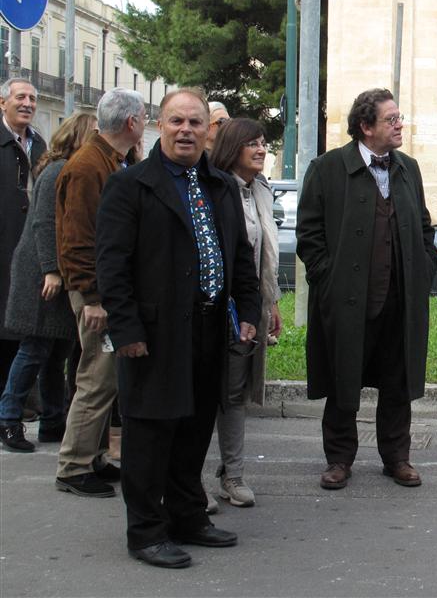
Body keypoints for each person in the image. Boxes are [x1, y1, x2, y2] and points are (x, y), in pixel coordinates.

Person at [95, 88, 261, 569]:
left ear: (208, 130)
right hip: (153, 332)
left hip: (208, 328)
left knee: (194, 428)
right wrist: (127, 330)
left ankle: (188, 515)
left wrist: (248, 311)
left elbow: (240, 257)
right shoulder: (130, 185)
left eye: (195, 122)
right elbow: (112, 265)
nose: (186, 130)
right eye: (176, 121)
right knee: (150, 436)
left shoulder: (221, 186)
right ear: (158, 126)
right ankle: (146, 532)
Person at [296, 88, 436, 491]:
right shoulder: (327, 168)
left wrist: (424, 268)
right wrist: (328, 279)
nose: (400, 125)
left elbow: (423, 226)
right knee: (343, 378)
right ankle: (339, 458)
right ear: (366, 126)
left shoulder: (408, 168)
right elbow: (309, 234)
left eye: (399, 117)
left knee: (397, 382)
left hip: (399, 300)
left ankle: (397, 457)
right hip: (347, 301)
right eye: (391, 119)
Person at [54, 88, 146, 498]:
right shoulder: (89, 166)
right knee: (96, 377)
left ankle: (91, 458)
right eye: (143, 117)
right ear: (131, 122)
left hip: (102, 289)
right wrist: (92, 298)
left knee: (103, 378)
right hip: (95, 292)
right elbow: (78, 239)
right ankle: (74, 466)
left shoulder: (107, 161)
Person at [0, 113, 95, 452]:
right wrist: (51, 270)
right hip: (41, 274)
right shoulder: (58, 171)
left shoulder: (69, 169)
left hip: (56, 273)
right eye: (93, 134)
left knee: (57, 351)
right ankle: (8, 419)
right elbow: (43, 223)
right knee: (35, 348)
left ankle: (53, 422)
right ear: (78, 137)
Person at [207, 118, 281, 507]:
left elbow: (264, 253)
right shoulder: (213, 187)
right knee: (203, 392)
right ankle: (187, 481)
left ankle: (232, 475)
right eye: (252, 143)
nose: (261, 149)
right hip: (211, 307)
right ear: (232, 147)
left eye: (263, 142)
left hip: (248, 307)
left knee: (234, 393)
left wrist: (271, 302)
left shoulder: (261, 190)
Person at [1, 78, 47, 391]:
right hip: (4, 241)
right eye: (20, 97)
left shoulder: (39, 144)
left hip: (28, 248)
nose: (27, 104)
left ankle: (18, 399)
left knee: (20, 325)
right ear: (3, 102)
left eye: (32, 98)